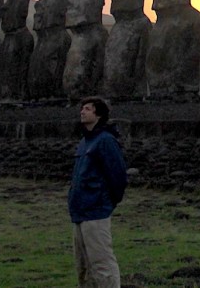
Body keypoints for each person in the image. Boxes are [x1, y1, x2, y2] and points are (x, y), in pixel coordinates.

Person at [68, 96, 127, 288]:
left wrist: (106, 202)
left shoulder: (106, 141)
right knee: (83, 267)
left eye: (87, 108)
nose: (82, 112)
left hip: (96, 212)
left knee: (102, 264)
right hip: (79, 213)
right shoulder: (85, 142)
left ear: (98, 114)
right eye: (82, 108)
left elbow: (118, 176)